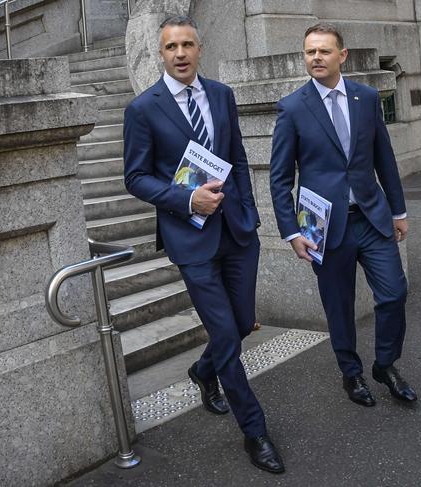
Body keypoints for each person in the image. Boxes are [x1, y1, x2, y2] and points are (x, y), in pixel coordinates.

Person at [123, 16, 284, 474]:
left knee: (240, 323)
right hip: (189, 239)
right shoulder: (143, 108)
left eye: (187, 44)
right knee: (227, 335)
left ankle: (202, 371)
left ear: (200, 48)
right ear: (161, 53)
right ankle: (255, 430)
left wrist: (250, 217)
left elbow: (235, 155)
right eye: (171, 46)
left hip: (236, 232)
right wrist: (186, 197)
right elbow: (135, 177)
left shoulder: (221, 94)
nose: (179, 53)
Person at [270, 23, 417, 408]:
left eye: (323, 51)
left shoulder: (366, 98)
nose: (315, 58)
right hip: (323, 227)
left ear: (342, 56)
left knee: (394, 293)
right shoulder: (292, 107)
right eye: (309, 52)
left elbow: (384, 159)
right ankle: (350, 374)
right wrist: (290, 231)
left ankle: (385, 364)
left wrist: (398, 211)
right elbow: (280, 177)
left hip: (371, 217)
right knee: (339, 307)